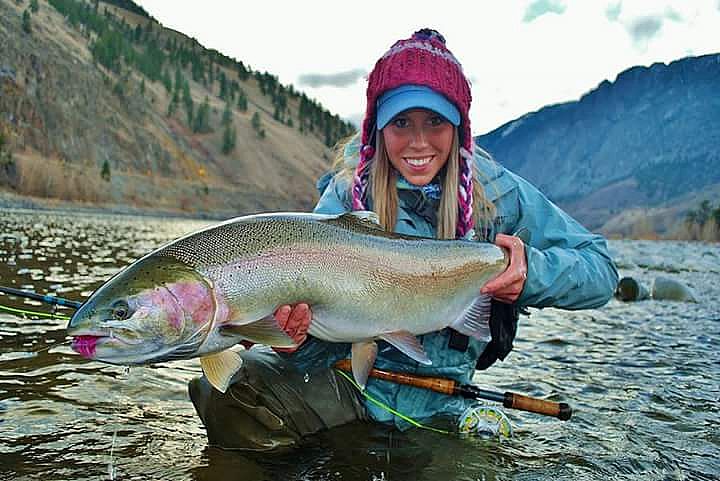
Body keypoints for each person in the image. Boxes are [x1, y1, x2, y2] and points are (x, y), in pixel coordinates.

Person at [188, 28, 618, 451]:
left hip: (441, 402)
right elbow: (312, 343)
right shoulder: (344, 196)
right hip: (347, 386)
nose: (418, 141)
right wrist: (290, 340)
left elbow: (601, 271)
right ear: (378, 127)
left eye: (435, 121)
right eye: (401, 122)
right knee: (225, 393)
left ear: (458, 126)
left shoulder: (500, 197)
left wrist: (529, 274)